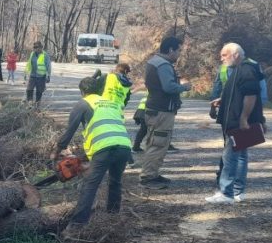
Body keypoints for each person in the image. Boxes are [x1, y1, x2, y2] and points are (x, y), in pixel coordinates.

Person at [56, 75, 133, 231]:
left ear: (82, 92)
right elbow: (113, 128)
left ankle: (78, 224)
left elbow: (70, 131)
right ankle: (112, 215)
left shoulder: (83, 103)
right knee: (115, 181)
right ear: (99, 90)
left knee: (90, 184)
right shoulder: (112, 103)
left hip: (105, 148)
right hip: (124, 146)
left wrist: (57, 151)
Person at [206, 42, 266, 204]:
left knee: (230, 156)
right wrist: (224, 99)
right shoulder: (240, 69)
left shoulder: (246, 69)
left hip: (237, 121)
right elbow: (240, 92)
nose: (221, 58)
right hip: (235, 119)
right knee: (240, 156)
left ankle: (226, 193)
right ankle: (238, 192)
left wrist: (244, 118)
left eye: (224, 55)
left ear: (236, 55)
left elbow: (251, 95)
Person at [139, 35, 191, 188]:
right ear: (170, 50)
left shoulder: (154, 61)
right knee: (158, 144)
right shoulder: (163, 65)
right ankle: (148, 178)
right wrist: (184, 87)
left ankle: (152, 174)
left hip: (155, 109)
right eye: (178, 51)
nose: (179, 54)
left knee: (154, 142)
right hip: (161, 111)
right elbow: (168, 87)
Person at [24, 41, 51, 107]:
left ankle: (37, 105)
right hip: (32, 75)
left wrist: (48, 76)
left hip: (41, 76)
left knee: (39, 91)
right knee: (29, 89)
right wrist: (25, 73)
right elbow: (29, 64)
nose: (36, 49)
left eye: (37, 47)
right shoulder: (32, 54)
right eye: (35, 47)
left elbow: (48, 66)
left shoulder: (45, 55)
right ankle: (30, 103)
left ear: (41, 47)